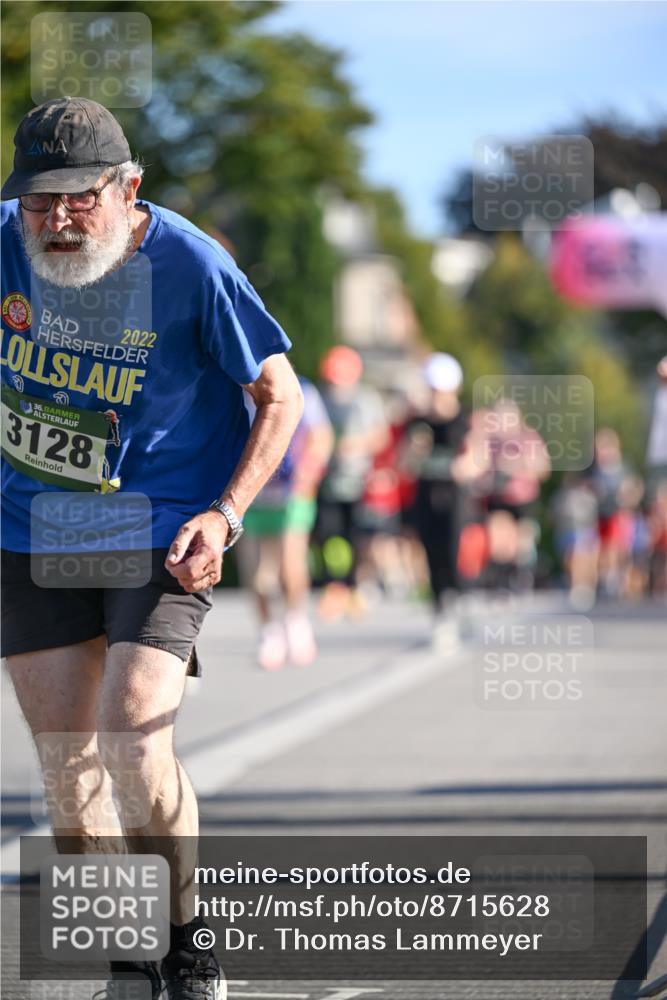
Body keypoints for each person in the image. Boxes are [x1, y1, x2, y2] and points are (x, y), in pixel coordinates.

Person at [1, 98, 303, 1000]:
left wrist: (226, 513)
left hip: (160, 526)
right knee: (66, 767)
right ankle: (129, 961)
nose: (55, 221)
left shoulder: (191, 264)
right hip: (32, 529)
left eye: (76, 201)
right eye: (35, 202)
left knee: (133, 740)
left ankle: (188, 936)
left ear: (127, 188)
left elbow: (278, 396)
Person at [237, 377, 333, 670]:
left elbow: (321, 435)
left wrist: (309, 472)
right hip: (251, 490)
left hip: (291, 490)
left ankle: (295, 619)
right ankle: (269, 631)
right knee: (255, 570)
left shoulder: (302, 387)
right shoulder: (234, 391)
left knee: (290, 563)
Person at [314, 345, 388, 619]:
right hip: (327, 480)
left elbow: (381, 436)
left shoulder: (366, 400)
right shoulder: (320, 398)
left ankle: (355, 586)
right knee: (330, 535)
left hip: (359, 480)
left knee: (358, 536)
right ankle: (336, 586)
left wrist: (357, 445)